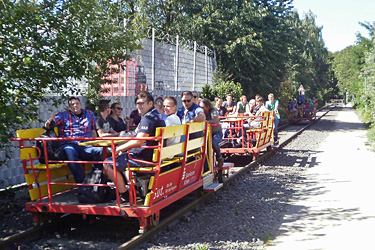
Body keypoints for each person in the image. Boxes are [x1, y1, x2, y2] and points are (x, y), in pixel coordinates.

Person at [103, 91, 166, 202]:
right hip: (152, 155)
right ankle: (134, 188)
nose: (139, 106)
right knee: (123, 156)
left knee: (108, 163)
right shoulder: (156, 115)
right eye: (137, 103)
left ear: (150, 103)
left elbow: (139, 140)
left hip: (145, 158)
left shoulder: (148, 118)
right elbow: (138, 136)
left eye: (142, 103)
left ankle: (125, 194)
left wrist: (120, 148)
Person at [45, 96, 103, 183]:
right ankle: (82, 184)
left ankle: (95, 179)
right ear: (69, 107)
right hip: (69, 144)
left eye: (77, 103)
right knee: (70, 151)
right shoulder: (63, 115)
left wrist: (95, 142)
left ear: (80, 104)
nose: (75, 106)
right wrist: (49, 122)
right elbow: (50, 124)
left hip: (85, 145)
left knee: (100, 150)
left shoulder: (89, 114)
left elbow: (93, 131)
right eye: (72, 104)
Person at [199, 98, 224, 168]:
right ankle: (207, 165)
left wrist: (204, 122)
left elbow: (214, 119)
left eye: (203, 107)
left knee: (214, 143)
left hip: (216, 132)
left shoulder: (213, 111)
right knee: (204, 147)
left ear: (208, 107)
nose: (201, 109)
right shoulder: (201, 113)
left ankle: (219, 158)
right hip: (207, 133)